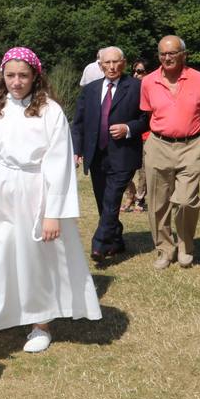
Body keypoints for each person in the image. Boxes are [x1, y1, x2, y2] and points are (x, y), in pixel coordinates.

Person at [0, 47, 101, 361]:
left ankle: (40, 325)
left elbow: (58, 164)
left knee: (36, 260)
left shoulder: (50, 111)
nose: (16, 82)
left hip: (35, 193)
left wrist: (53, 214)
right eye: (11, 75)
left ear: (35, 77)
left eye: (23, 76)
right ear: (3, 75)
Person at [139, 36, 200, 271]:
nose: (167, 57)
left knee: (185, 201)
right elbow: (147, 114)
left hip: (191, 146)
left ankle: (185, 246)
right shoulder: (148, 82)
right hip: (158, 145)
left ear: (184, 54)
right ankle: (164, 248)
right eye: (163, 54)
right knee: (157, 202)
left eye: (172, 53)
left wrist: (195, 136)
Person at [70, 47, 149, 264]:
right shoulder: (91, 89)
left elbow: (146, 118)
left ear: (123, 63)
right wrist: (76, 150)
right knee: (103, 201)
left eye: (116, 62)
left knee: (112, 199)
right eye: (107, 63)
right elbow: (79, 123)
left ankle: (99, 243)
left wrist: (128, 128)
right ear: (100, 65)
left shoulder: (136, 87)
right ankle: (116, 240)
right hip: (96, 155)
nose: (112, 67)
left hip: (123, 155)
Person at [120, 60, 150, 212]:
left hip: (148, 135)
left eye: (140, 71)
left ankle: (139, 199)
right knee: (125, 168)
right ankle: (129, 195)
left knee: (144, 170)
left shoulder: (152, 88)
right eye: (134, 71)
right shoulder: (129, 88)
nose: (136, 74)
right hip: (130, 134)